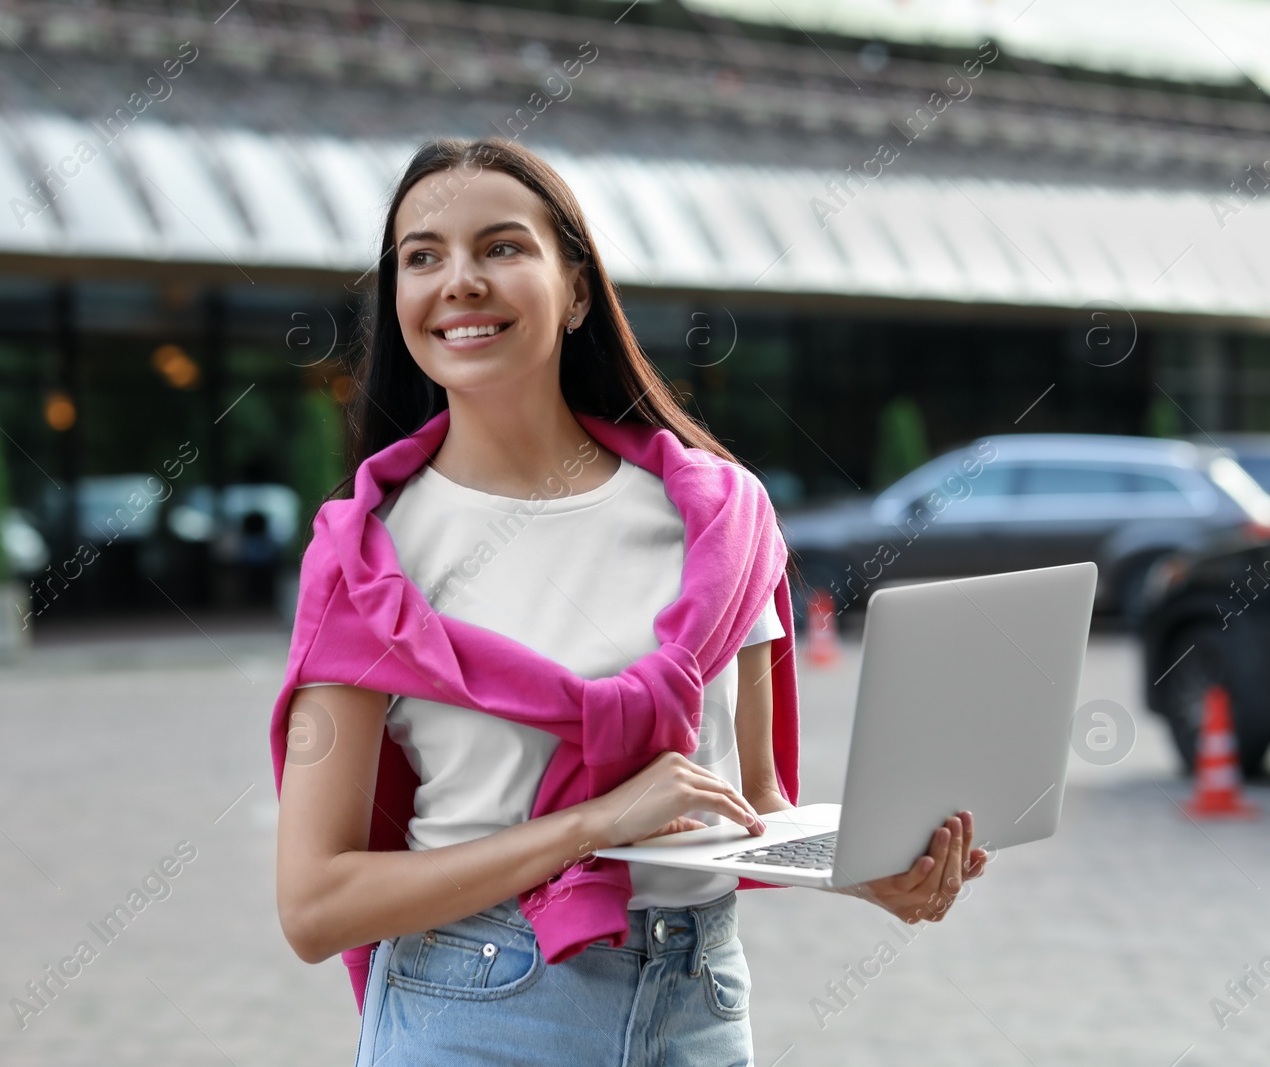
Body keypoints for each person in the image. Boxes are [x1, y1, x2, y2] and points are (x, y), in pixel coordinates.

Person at [274, 137, 988, 1065]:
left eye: (502, 247)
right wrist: (587, 826)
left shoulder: (721, 521)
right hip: (475, 1006)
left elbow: (749, 804)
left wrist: (873, 873)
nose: (460, 280)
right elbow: (314, 903)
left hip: (697, 1002)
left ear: (576, 290)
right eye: (422, 257)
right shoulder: (365, 557)